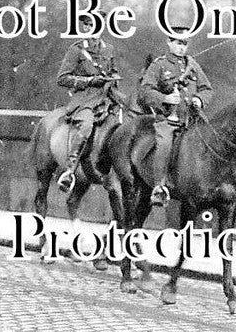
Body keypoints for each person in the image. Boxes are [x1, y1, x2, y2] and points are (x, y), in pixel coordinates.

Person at [136, 26, 215, 206]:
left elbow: (207, 89)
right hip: (168, 120)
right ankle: (159, 187)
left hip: (192, 120)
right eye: (178, 43)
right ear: (169, 42)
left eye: (185, 44)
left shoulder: (193, 66)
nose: (182, 47)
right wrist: (165, 98)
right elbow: (145, 91)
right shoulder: (159, 65)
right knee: (164, 145)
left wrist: (199, 100)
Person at [54, 14, 121, 193]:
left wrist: (113, 78)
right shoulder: (76, 50)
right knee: (86, 126)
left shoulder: (109, 49)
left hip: (107, 98)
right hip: (85, 99)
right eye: (89, 24)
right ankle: (70, 170)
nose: (94, 28)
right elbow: (62, 78)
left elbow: (113, 71)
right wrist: (89, 80)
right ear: (84, 27)